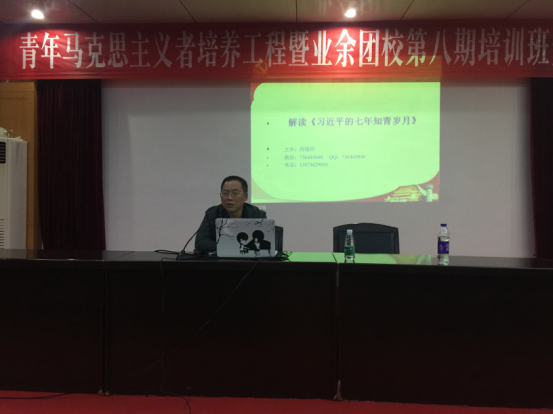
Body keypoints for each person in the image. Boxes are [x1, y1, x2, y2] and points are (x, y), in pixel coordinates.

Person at [194, 176, 267, 253]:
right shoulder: (212, 213)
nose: (229, 198)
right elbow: (200, 242)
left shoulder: (257, 214)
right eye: (225, 193)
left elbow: (264, 242)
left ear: (245, 196)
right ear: (221, 196)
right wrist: (232, 247)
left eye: (235, 193)